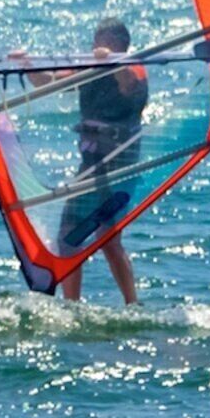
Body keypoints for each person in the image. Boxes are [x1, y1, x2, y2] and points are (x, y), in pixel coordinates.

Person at [52, 17, 151, 303]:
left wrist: (112, 61)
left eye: (106, 43)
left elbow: (126, 83)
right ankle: (71, 307)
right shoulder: (90, 68)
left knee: (108, 239)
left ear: (122, 46)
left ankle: (133, 304)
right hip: (92, 164)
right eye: (97, 42)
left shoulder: (133, 69)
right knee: (67, 238)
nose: (98, 48)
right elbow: (48, 82)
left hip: (121, 165)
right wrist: (23, 67)